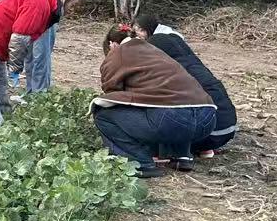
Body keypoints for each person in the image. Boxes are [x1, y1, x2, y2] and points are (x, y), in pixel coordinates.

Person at [92, 27, 217, 176]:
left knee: (102, 112)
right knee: (172, 102)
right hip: (207, 119)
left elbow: (110, 90)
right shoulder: (156, 50)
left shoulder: (118, 53)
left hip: (173, 119)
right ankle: (182, 156)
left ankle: (139, 163)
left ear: (112, 44)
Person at [132, 15, 238, 156]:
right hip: (228, 130)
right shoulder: (194, 64)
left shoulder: (170, 72)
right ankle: (203, 148)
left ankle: (183, 150)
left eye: (139, 31)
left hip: (209, 132)